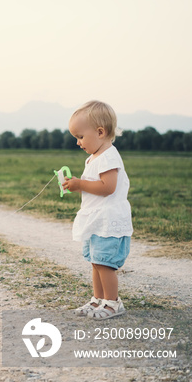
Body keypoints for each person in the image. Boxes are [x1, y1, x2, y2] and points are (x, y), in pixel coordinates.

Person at [63, 100, 133, 320]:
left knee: (105, 263)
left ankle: (113, 303)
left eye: (80, 137)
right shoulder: (94, 157)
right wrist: (76, 184)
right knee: (95, 260)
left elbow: (108, 187)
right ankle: (98, 299)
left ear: (100, 132)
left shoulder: (109, 157)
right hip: (97, 219)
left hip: (108, 220)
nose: (77, 142)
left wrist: (80, 184)